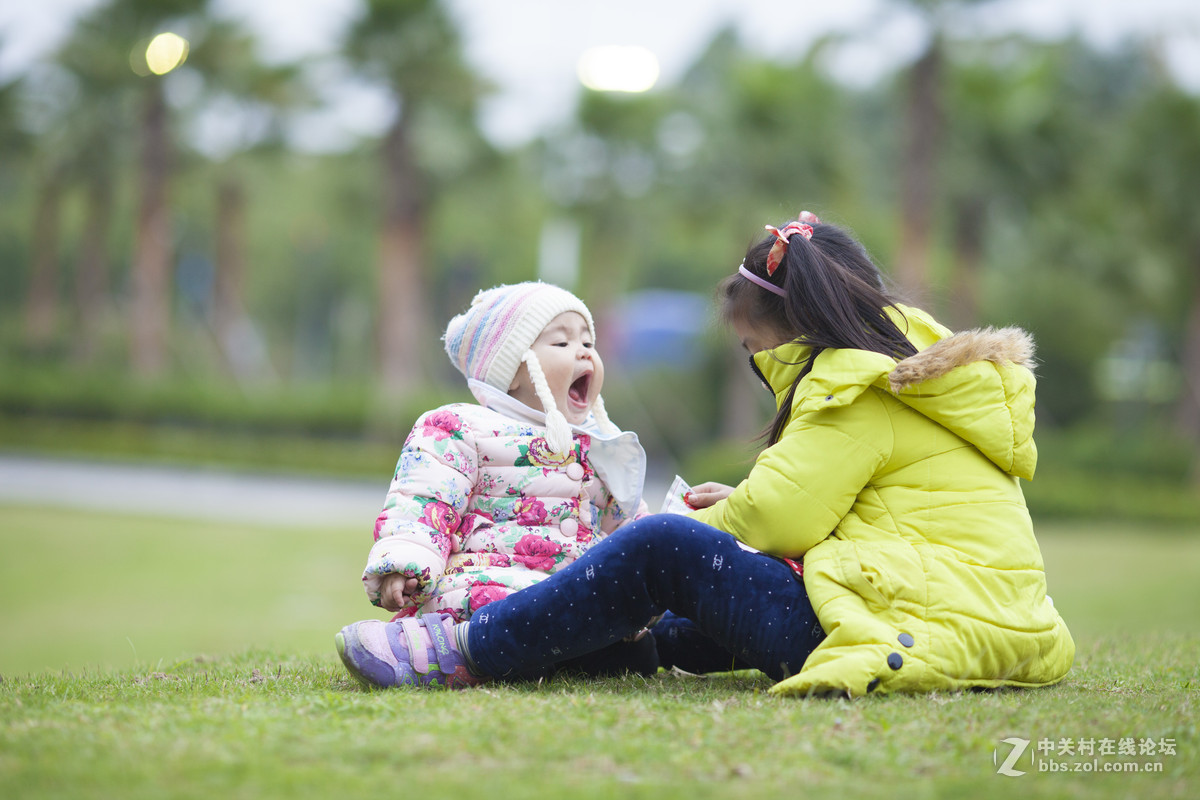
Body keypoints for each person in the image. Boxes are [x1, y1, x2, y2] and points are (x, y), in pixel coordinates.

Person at [336, 212, 1076, 697]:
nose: (756, 364)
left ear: (790, 326)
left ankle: (463, 650)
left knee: (661, 546)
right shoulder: (909, 367)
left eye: (753, 348)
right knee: (677, 611)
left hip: (905, 622)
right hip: (969, 617)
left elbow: (781, 519)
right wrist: (737, 508)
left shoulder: (857, 386)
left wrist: (695, 527)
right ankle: (598, 651)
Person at [342, 281, 654, 686]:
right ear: (512, 372)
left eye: (588, 342)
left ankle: (562, 656)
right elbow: (423, 503)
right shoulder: (462, 427)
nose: (583, 352)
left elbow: (626, 525)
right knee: (506, 612)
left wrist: (652, 565)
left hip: (568, 595)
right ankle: (436, 646)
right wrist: (403, 564)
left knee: (638, 651)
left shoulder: (600, 444)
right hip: (488, 583)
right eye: (561, 343)